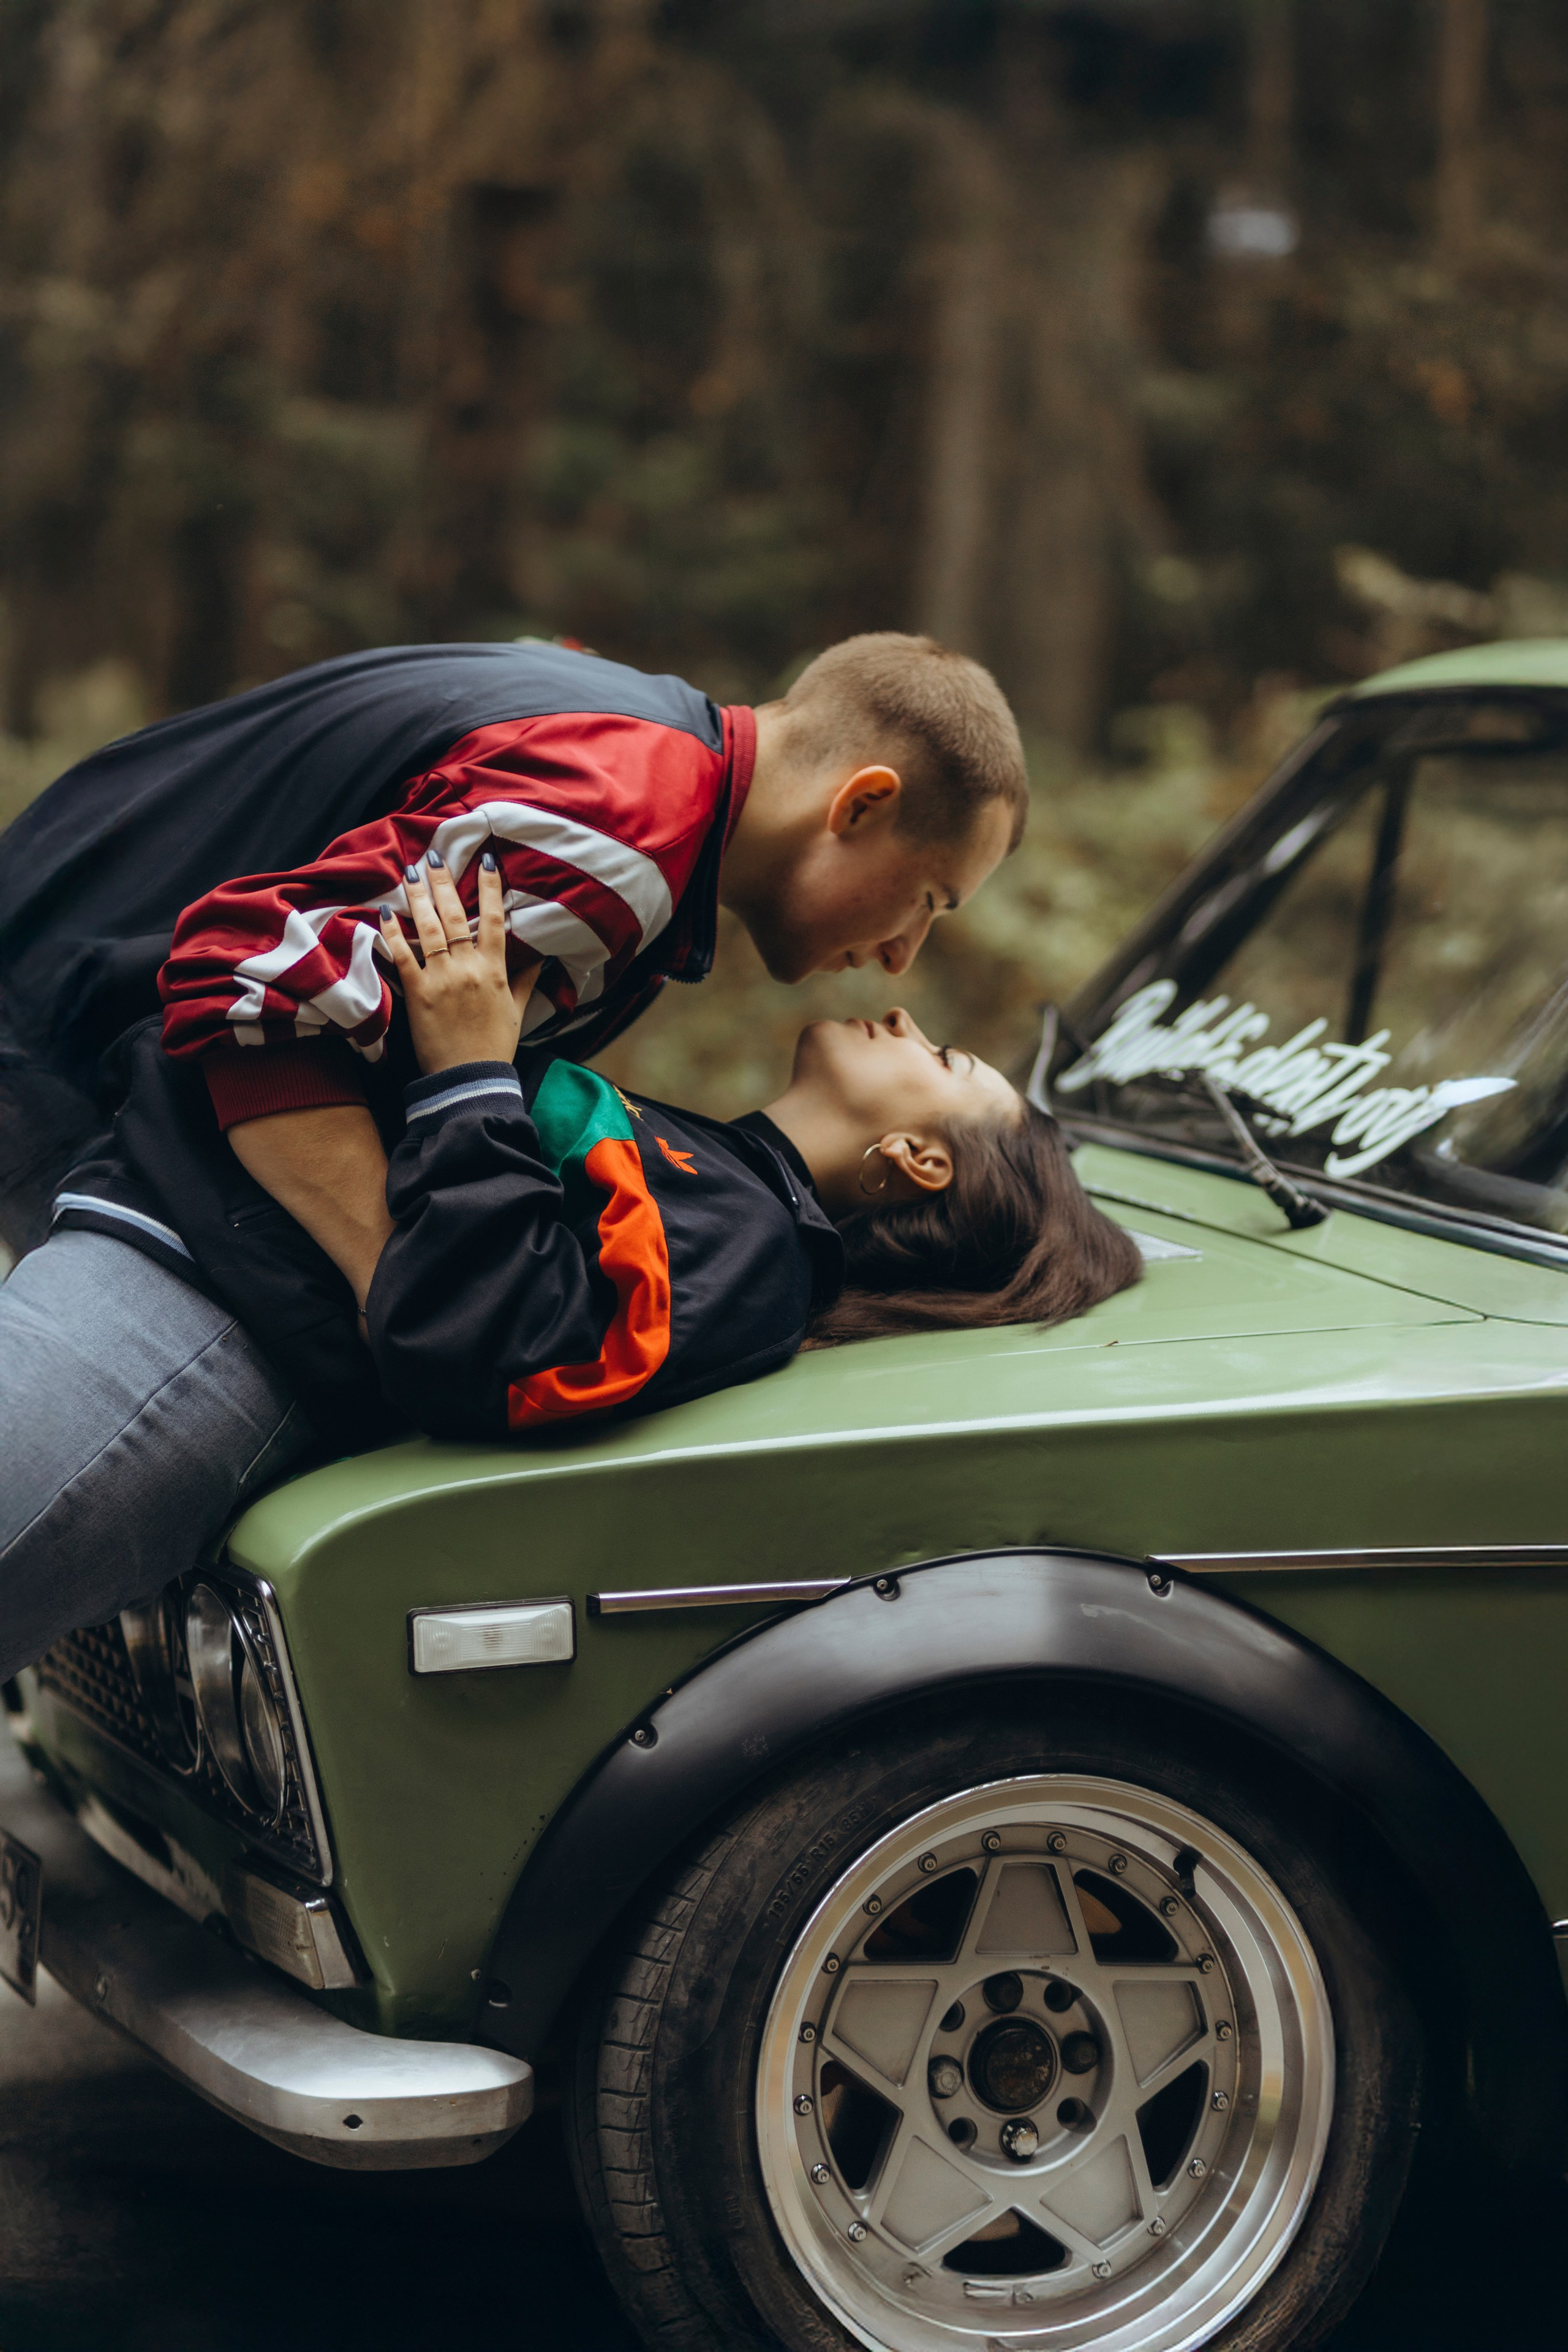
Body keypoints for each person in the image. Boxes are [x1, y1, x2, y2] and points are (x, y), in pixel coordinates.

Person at [0, 856, 1141, 1683]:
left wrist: (470, 1073)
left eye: (943, 1059)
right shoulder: (723, 1176)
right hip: (146, 1254)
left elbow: (512, 1351)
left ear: (918, 1159)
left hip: (185, 1325)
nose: (905, 1011)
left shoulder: (754, 1248)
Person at [0, 631, 1025, 1261]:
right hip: (52, 1028)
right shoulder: (622, 837)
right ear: (863, 804)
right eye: (929, 898)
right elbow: (251, 977)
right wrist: (392, 1275)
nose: (904, 958)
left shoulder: (643, 741)